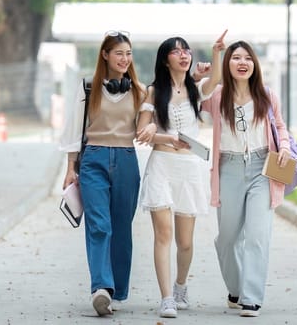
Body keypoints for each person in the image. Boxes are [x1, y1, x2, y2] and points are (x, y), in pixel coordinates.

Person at [59, 30, 154, 316]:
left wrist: (151, 126)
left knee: (122, 228)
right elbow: (75, 129)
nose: (125, 59)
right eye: (118, 53)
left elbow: (150, 122)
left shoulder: (139, 89)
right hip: (94, 160)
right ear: (105, 55)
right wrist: (70, 168)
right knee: (100, 225)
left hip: (126, 159)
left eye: (128, 53)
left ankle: (116, 289)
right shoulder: (89, 88)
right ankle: (101, 287)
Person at [136, 30, 226, 318]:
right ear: (165, 61)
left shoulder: (196, 90)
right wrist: (164, 136)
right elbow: (142, 132)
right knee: (163, 235)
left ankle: (180, 286)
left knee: (185, 242)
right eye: (176, 51)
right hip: (161, 165)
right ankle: (166, 299)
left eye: (186, 50)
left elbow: (217, 78)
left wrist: (216, 52)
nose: (184, 54)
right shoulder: (153, 92)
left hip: (190, 168)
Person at [201, 40, 291, 318]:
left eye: (247, 58)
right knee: (227, 238)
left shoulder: (267, 95)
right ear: (228, 64)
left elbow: (279, 126)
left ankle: (251, 297)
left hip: (262, 168)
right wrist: (207, 68)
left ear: (254, 63)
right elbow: (194, 102)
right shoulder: (217, 96)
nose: (242, 62)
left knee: (257, 235)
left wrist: (285, 147)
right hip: (228, 167)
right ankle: (236, 288)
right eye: (236, 57)